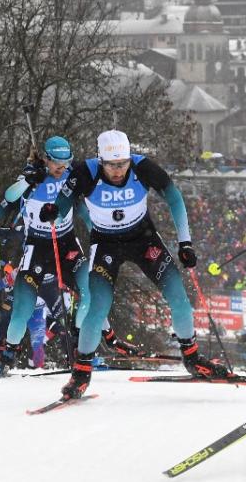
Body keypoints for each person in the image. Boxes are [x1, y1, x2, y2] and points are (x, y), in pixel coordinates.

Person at [43, 129, 230, 400]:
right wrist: (55, 210)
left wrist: (185, 243)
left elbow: (174, 197)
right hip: (105, 243)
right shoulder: (86, 171)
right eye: (111, 165)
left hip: (143, 239)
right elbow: (63, 200)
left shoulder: (143, 167)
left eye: (122, 164)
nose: (118, 171)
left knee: (178, 297)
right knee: (98, 307)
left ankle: (192, 358)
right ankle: (81, 374)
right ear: (101, 160)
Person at [0, 136, 134, 376]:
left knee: (90, 291)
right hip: (38, 246)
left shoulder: (72, 176)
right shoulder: (31, 179)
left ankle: (81, 352)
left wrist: (106, 236)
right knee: (23, 306)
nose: (61, 169)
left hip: (67, 245)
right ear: (46, 158)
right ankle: (7, 356)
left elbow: (86, 212)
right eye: (56, 163)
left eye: (66, 163)